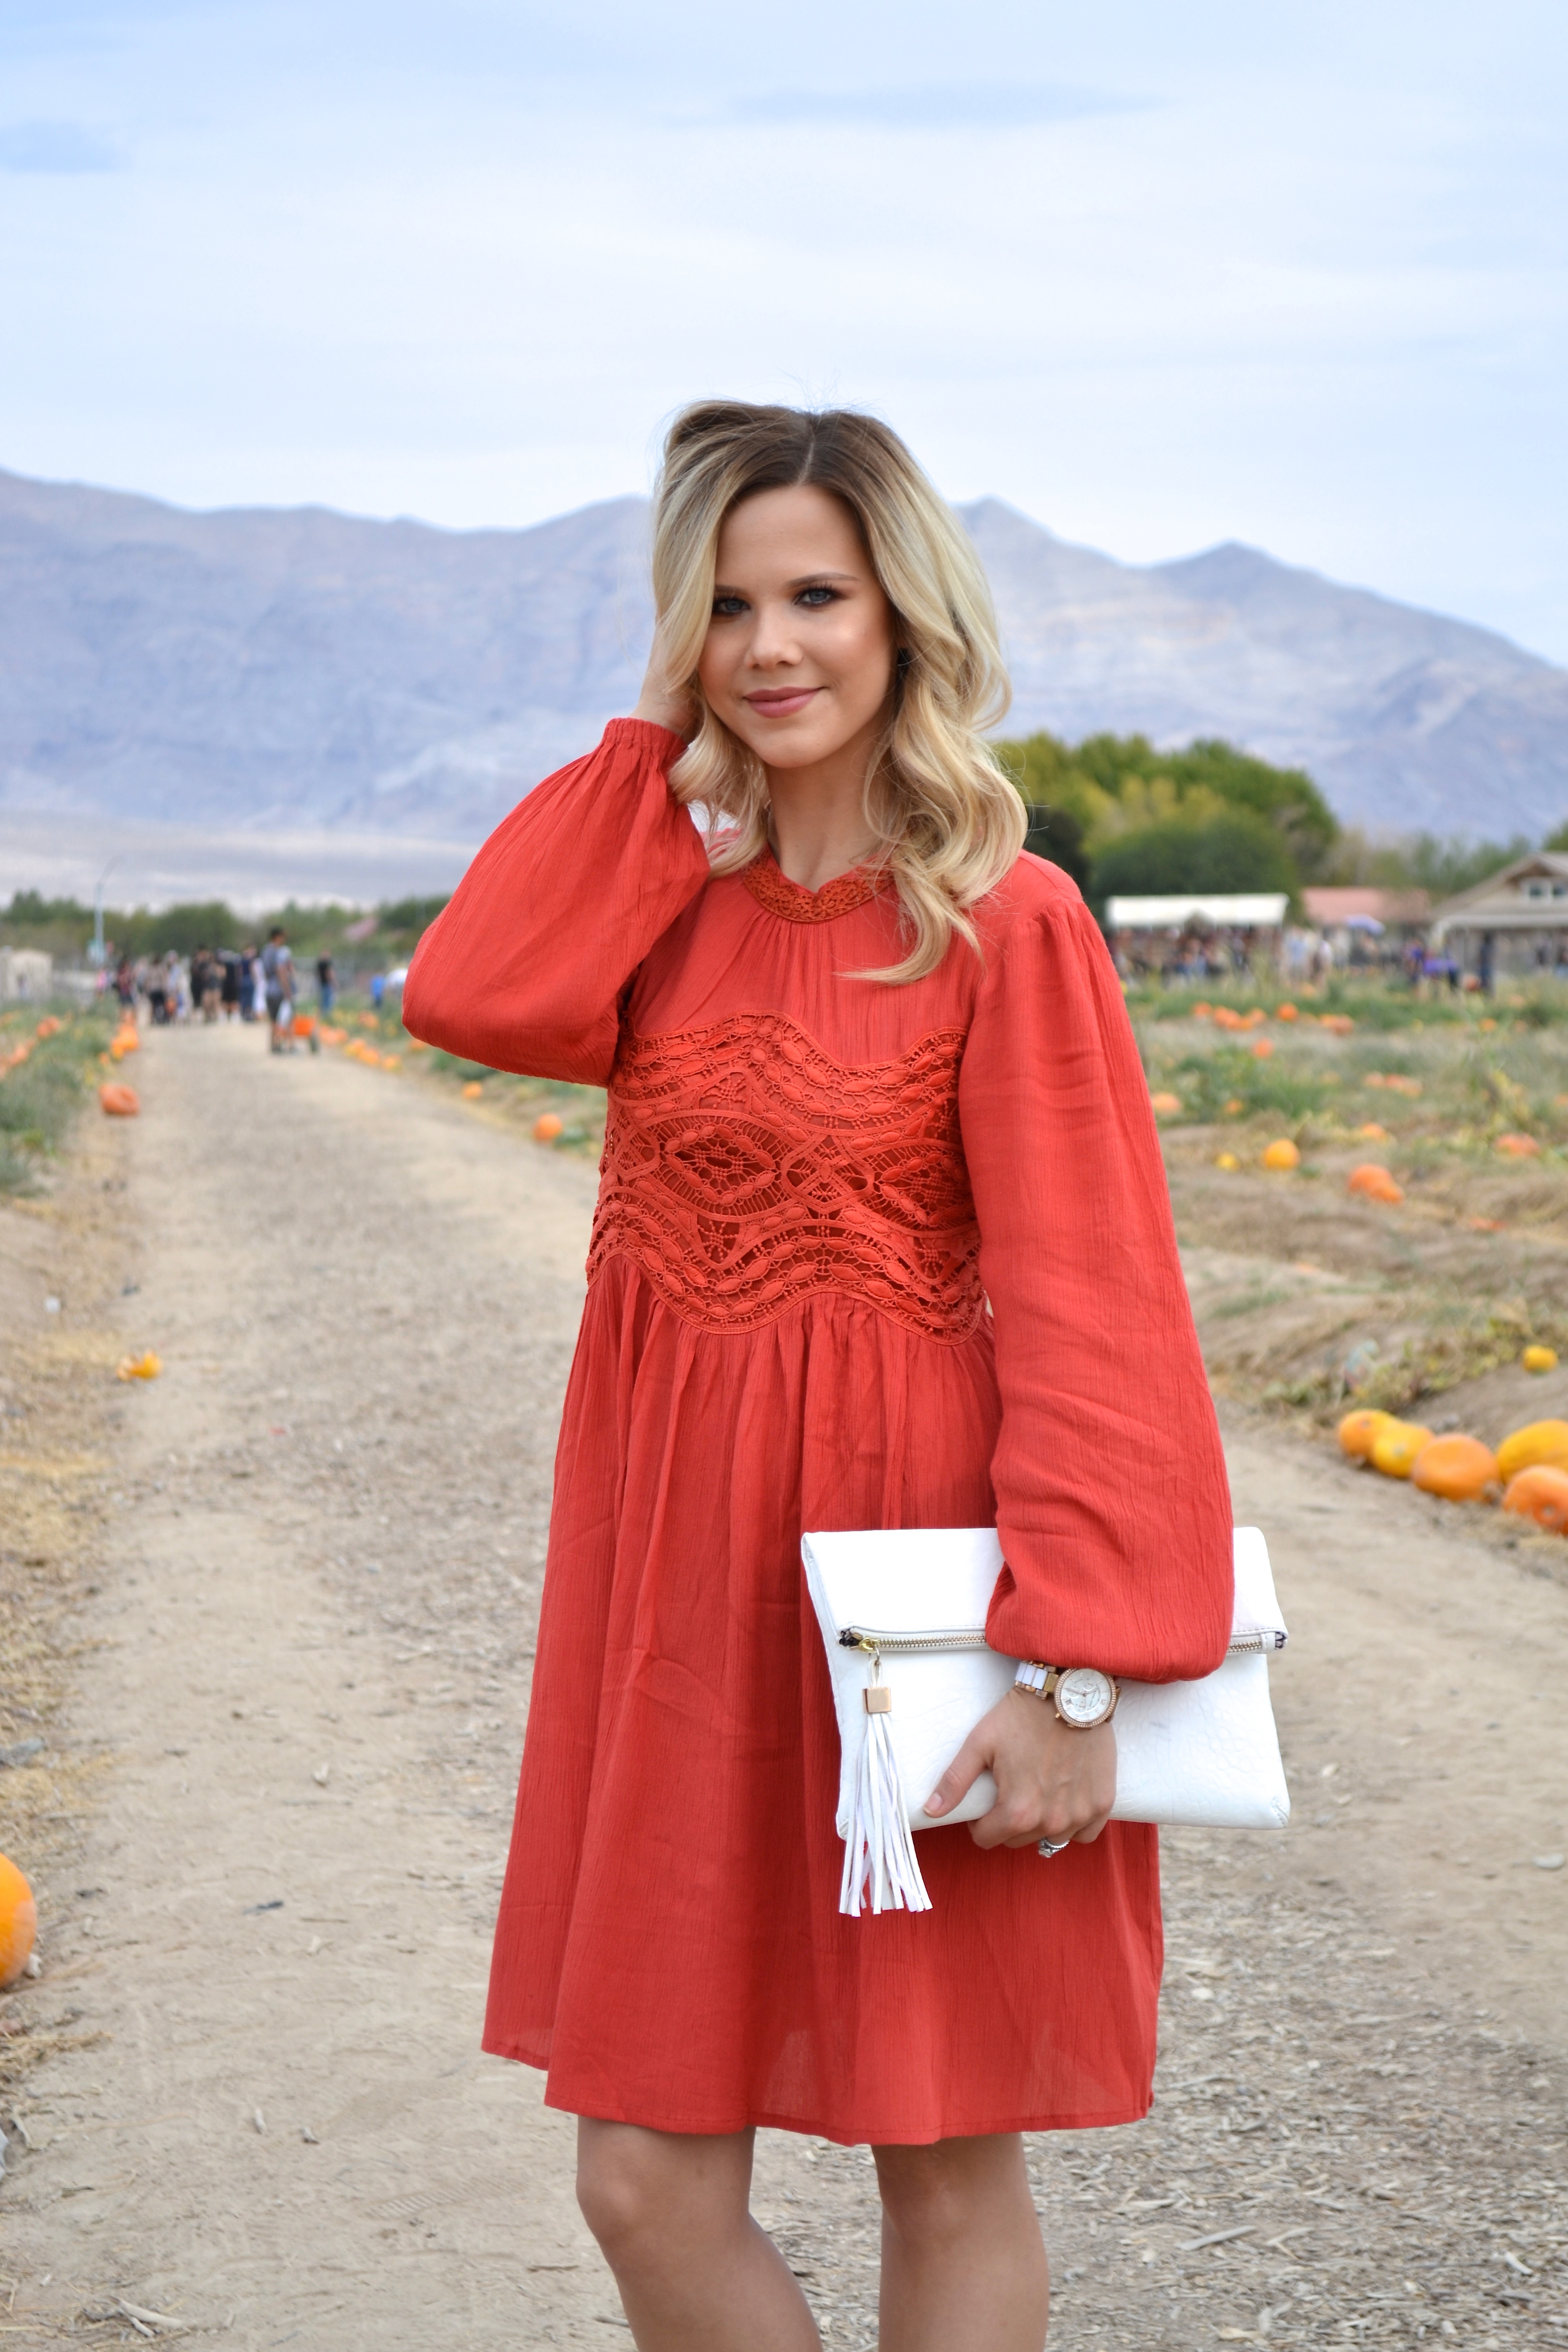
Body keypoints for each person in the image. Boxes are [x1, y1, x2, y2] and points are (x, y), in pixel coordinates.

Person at [403, 402, 1232, 2352]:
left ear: (905, 619)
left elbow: (1101, 1309)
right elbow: (469, 988)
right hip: (683, 1611)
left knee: (941, 2149)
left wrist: (1075, 1666)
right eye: (726, 604)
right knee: (641, 2175)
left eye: (816, 597)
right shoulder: (660, 919)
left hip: (918, 1619)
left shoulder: (1003, 924)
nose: (771, 644)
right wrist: (655, 775)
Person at [260, 926, 296, 1052]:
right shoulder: (278, 952)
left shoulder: (265, 951)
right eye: (282, 937)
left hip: (269, 989)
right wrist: (287, 990)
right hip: (279, 990)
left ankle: (274, 1045)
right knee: (289, 1017)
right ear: (277, 937)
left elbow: (265, 972)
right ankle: (290, 1046)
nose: (284, 940)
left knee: (274, 1020)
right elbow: (281, 971)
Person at [315, 950, 336, 1017]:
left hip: (321, 984)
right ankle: (326, 1015)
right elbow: (329, 974)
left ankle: (322, 1014)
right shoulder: (327, 964)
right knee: (328, 1000)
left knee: (322, 1000)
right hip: (327, 984)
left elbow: (318, 974)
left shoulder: (320, 964)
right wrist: (333, 982)